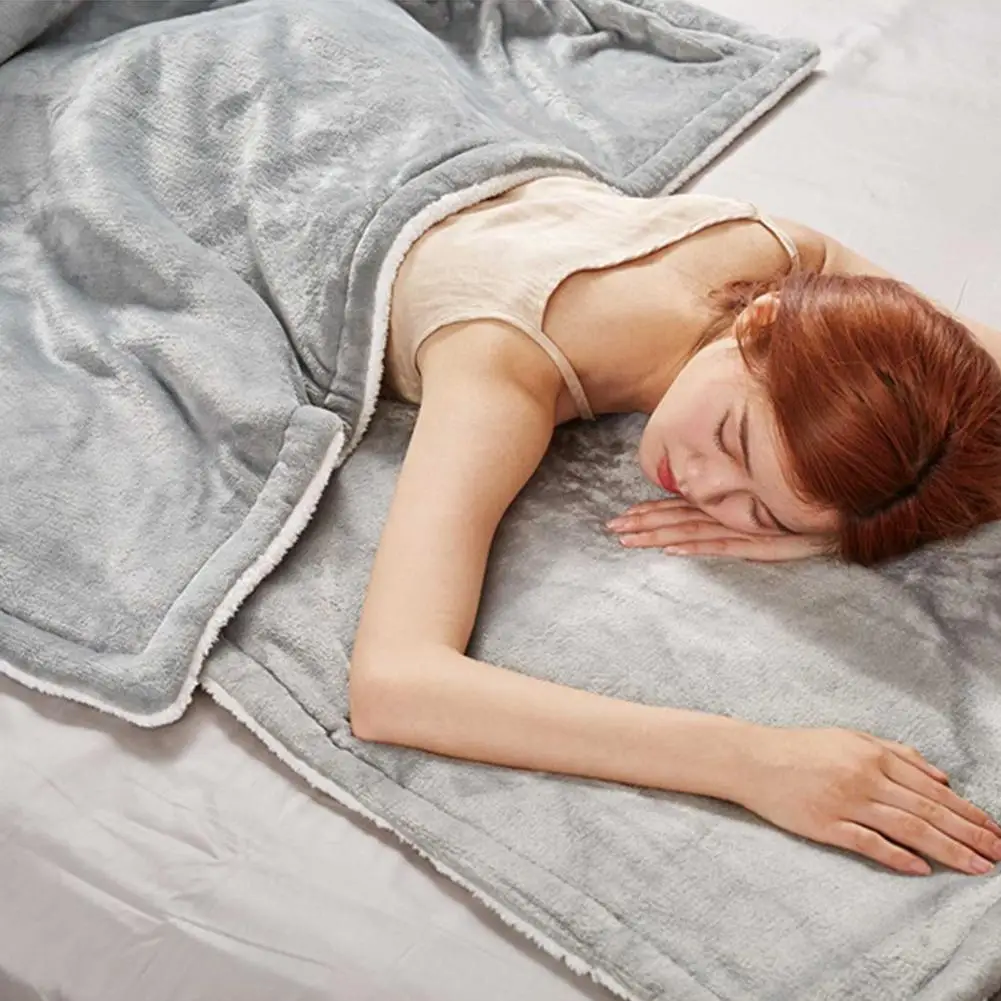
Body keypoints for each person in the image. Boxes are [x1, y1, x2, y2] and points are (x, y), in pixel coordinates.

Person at [350, 175, 1001, 878]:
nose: (703, 484)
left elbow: (961, 376)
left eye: (756, 509)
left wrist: (834, 528)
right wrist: (754, 762)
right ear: (759, 325)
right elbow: (394, 683)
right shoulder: (502, 365)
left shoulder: (776, 261)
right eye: (731, 439)